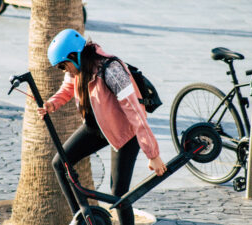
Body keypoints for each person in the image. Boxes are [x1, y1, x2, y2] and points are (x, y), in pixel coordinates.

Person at [37, 29, 167, 225]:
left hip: (125, 131)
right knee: (60, 163)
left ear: (74, 56)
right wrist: (52, 103)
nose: (65, 71)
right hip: (96, 128)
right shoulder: (78, 67)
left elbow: (136, 114)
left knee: (119, 195)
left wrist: (153, 155)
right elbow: (68, 87)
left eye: (63, 66)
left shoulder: (112, 70)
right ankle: (83, 219)